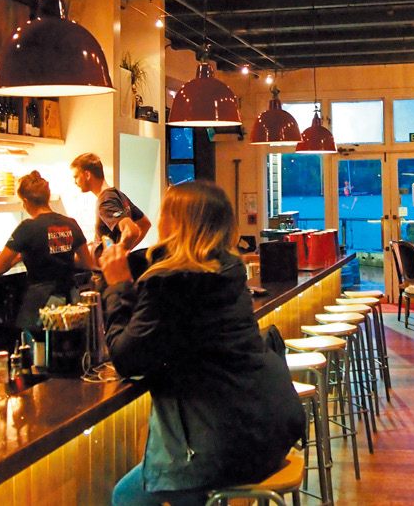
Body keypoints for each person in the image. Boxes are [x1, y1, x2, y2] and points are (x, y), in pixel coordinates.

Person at [101, 181, 304, 506]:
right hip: (270, 428)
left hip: (219, 445)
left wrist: (117, 286)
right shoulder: (230, 269)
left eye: (164, 213)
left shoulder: (170, 282)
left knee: (126, 498)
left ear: (177, 223)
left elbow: (128, 359)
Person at [0, 171, 95, 334]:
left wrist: (20, 257)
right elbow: (87, 263)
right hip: (69, 300)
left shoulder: (27, 228)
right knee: (67, 343)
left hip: (41, 302)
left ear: (26, 201)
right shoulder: (70, 223)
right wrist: (62, 254)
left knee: (39, 345)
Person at [70, 152, 151, 257]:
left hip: (105, 267)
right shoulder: (117, 194)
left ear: (87, 175)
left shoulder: (105, 202)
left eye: (76, 176)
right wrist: (124, 250)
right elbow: (145, 224)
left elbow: (131, 231)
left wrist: (118, 255)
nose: (75, 182)